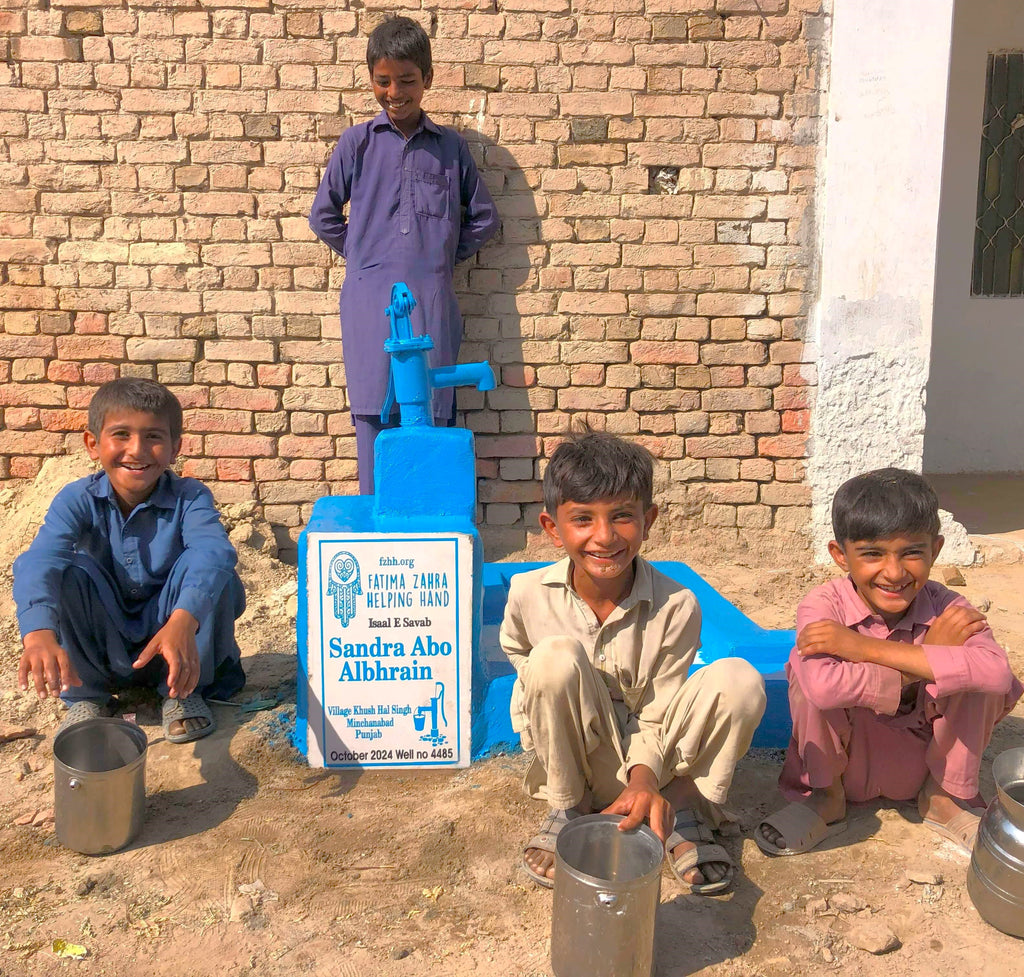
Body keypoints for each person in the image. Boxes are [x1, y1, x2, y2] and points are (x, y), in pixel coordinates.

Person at [499, 432, 767, 893]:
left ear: (648, 521)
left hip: (659, 765)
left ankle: (677, 806)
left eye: (622, 516)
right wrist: (561, 700)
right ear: (552, 528)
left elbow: (660, 711)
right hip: (583, 760)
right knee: (551, 660)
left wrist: (644, 781)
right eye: (582, 519)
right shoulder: (527, 593)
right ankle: (570, 805)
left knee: (739, 680)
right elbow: (524, 661)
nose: (604, 537)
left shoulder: (677, 605)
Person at [757, 468, 1023, 856]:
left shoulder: (948, 608)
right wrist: (929, 660)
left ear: (935, 550)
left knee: (978, 677)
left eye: (912, 552)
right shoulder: (824, 605)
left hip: (924, 762)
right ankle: (826, 800)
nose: (895, 573)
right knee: (804, 666)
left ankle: (943, 799)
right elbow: (822, 688)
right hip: (847, 763)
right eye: (872, 554)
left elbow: (998, 676)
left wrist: (863, 648)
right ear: (840, 556)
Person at [309, 15, 500, 494]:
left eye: (407, 80)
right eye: (384, 81)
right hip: (368, 300)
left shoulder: (450, 148)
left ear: (427, 79)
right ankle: (378, 518)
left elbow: (484, 218)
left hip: (431, 299)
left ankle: (428, 523)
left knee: (431, 412)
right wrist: (364, 255)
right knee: (374, 414)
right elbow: (323, 216)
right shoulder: (356, 143)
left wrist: (439, 259)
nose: (395, 92)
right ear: (371, 80)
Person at [13, 378, 246, 744]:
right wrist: (38, 632)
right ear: (93, 444)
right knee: (69, 571)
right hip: (108, 648)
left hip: (178, 640)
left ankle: (183, 691)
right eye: (121, 434)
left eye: (153, 437)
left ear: (175, 448)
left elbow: (213, 551)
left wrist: (184, 619)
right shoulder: (77, 499)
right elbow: (40, 560)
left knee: (212, 570)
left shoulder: (190, 497)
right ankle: (87, 697)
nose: (137, 450)